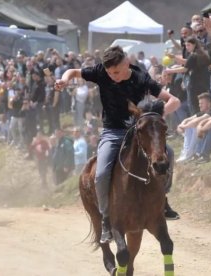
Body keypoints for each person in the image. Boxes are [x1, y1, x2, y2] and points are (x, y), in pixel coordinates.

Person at [55, 46, 181, 244]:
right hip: (112, 133)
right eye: (109, 73)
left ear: (125, 64)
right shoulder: (101, 72)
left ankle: (162, 201)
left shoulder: (141, 78)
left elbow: (174, 100)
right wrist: (64, 79)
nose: (112, 76)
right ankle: (106, 219)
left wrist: (156, 116)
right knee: (102, 173)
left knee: (169, 153)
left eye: (116, 72)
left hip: (139, 132)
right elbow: (74, 72)